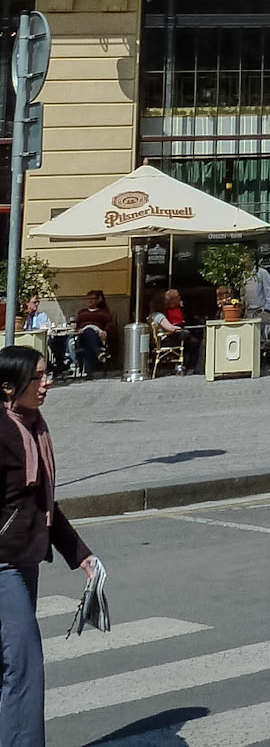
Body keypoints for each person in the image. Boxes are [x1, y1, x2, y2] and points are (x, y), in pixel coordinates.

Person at [0, 344, 98, 747]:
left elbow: (43, 503)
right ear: (9, 387)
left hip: (24, 558)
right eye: (37, 377)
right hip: (2, 564)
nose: (46, 383)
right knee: (23, 664)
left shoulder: (35, 427)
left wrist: (79, 553)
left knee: (9, 662)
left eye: (46, 374)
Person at [72, 292, 115, 378]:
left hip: (97, 336)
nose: (90, 301)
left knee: (87, 347)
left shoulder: (103, 313)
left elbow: (110, 325)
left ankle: (89, 373)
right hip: (83, 336)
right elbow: (77, 326)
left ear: (98, 300)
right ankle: (98, 352)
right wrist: (78, 330)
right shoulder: (82, 313)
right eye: (88, 299)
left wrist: (105, 331)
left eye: (93, 299)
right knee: (88, 331)